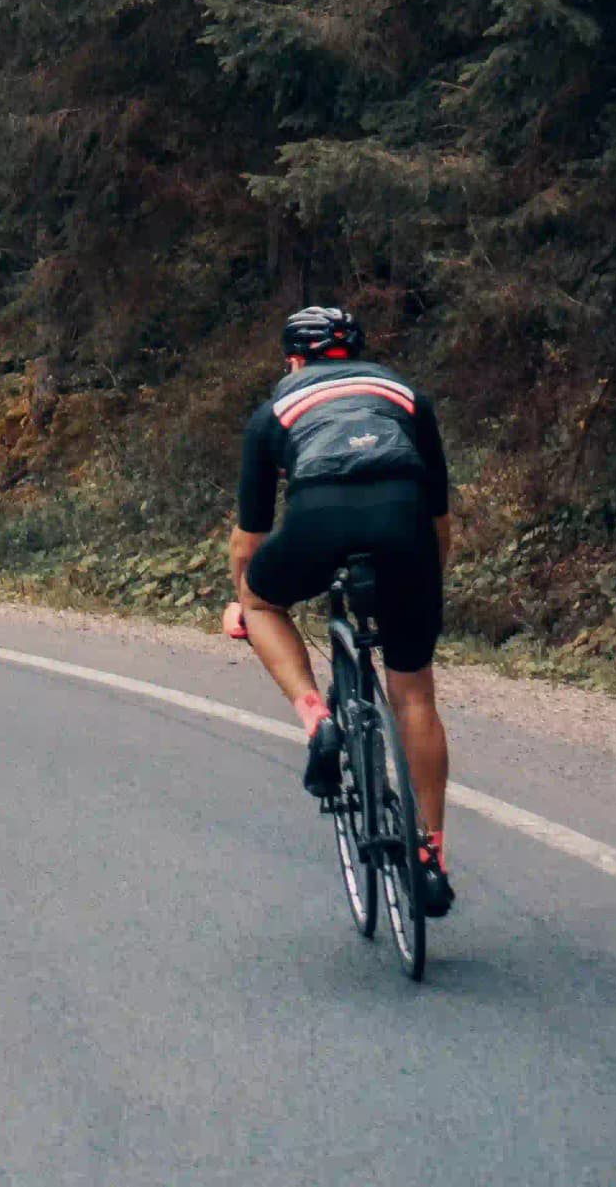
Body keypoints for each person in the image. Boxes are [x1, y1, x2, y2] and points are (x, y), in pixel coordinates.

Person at [224, 304, 456, 916]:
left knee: (259, 597)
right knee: (415, 697)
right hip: (406, 527)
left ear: (293, 360)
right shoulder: (406, 396)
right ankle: (430, 855)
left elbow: (249, 540)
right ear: (357, 353)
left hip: (316, 517)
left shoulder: (273, 410)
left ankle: (316, 718)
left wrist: (240, 599)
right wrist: (429, 578)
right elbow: (439, 518)